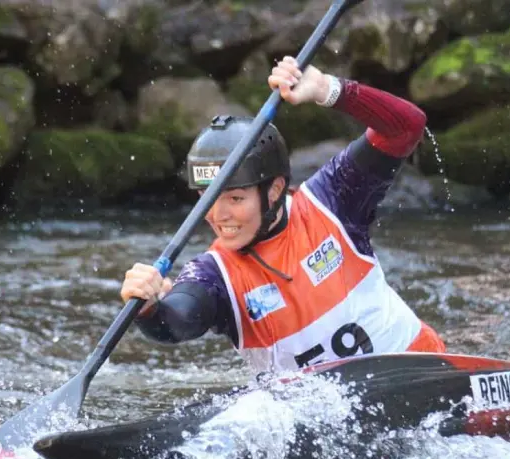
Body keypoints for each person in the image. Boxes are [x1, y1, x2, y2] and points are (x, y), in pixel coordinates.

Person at [120, 56, 445, 373]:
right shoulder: (215, 274)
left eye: (234, 197)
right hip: (331, 415)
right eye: (206, 198)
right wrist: (151, 308)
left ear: (273, 190)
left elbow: (406, 126)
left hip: (426, 371)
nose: (218, 215)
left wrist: (327, 89)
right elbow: (177, 322)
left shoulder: (331, 201)